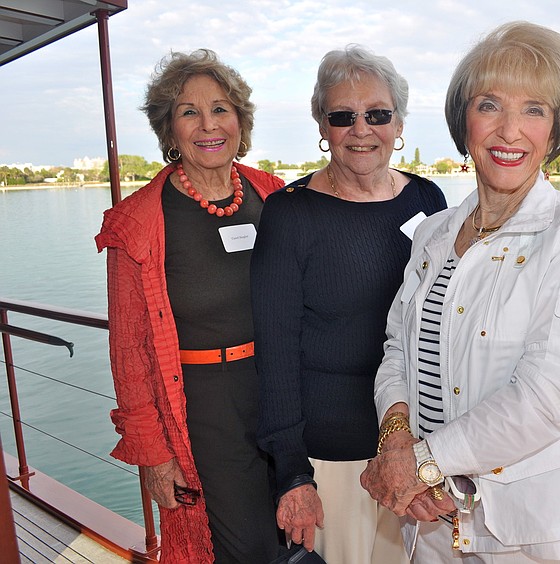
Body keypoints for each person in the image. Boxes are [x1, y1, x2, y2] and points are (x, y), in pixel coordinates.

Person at [360, 21, 560, 563]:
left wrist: (422, 464)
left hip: (522, 532)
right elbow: (398, 349)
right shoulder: (432, 232)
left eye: (534, 110)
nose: (509, 130)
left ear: (555, 129)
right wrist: (397, 439)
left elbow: (550, 392)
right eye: (490, 104)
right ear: (464, 120)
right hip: (426, 521)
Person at [251, 45, 447, 564]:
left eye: (377, 114)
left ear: (398, 122)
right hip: (332, 457)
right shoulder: (290, 214)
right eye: (343, 116)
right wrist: (293, 475)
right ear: (323, 125)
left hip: (420, 449)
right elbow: (274, 352)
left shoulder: (429, 202)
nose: (362, 129)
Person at [95, 49, 284, 563]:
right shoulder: (137, 222)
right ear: (168, 129)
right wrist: (153, 455)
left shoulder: (275, 196)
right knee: (249, 550)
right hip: (205, 412)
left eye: (221, 109)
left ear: (241, 121)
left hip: (281, 399)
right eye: (189, 112)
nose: (208, 125)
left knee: (297, 535)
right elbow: (129, 351)